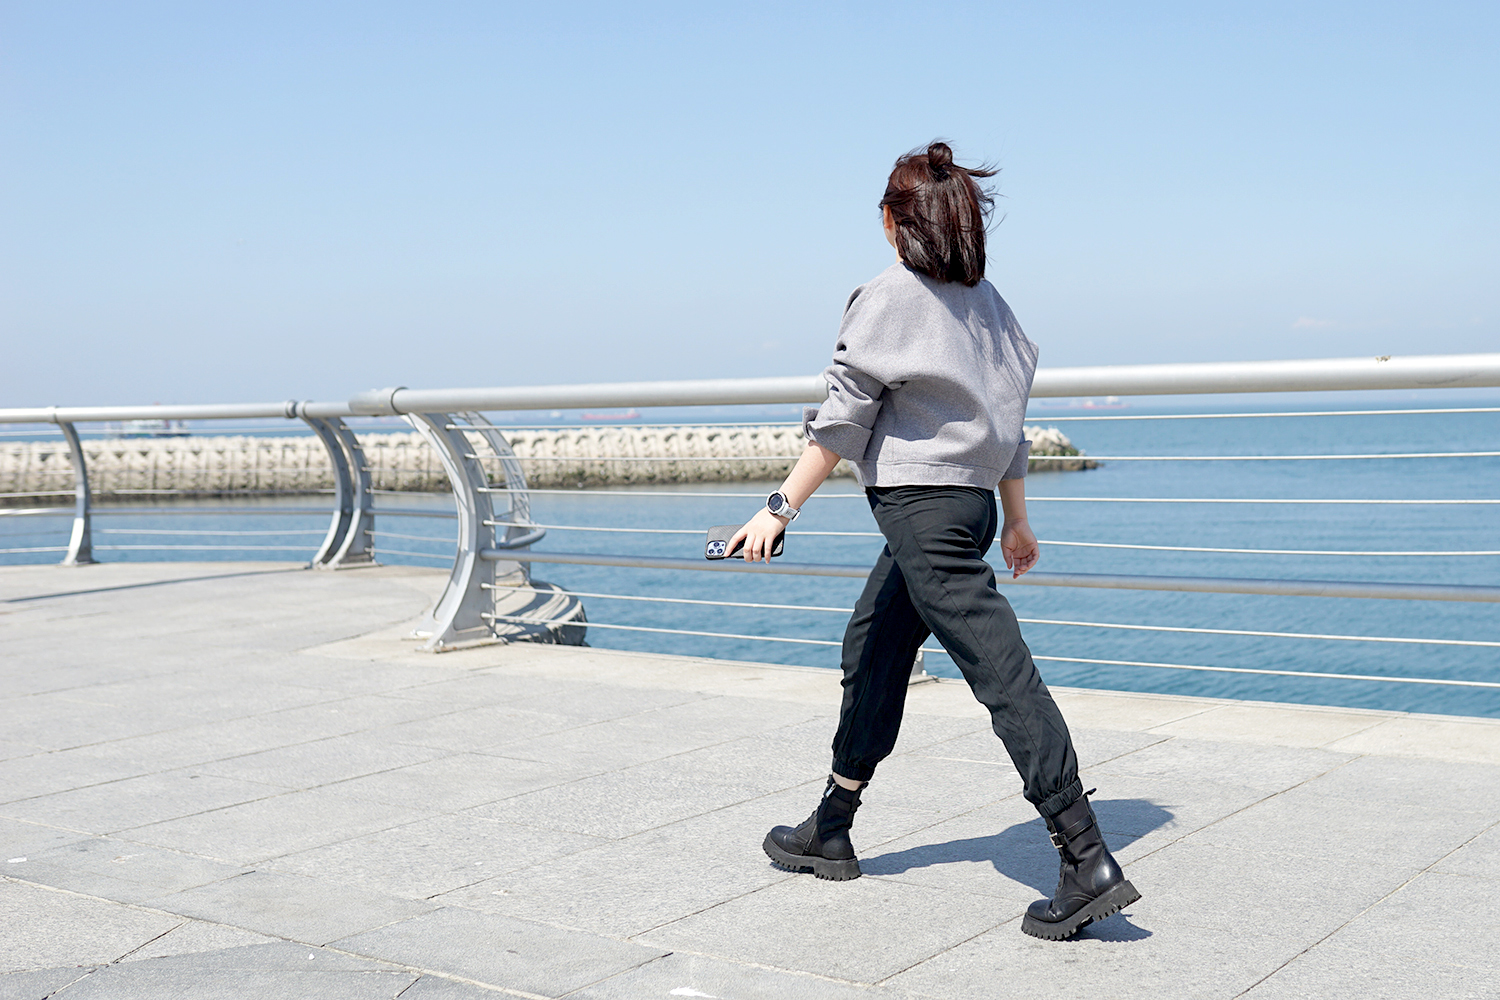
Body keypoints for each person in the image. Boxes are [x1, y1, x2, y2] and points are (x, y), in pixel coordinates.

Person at [729, 141, 1140, 941]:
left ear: (895, 220)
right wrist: (1016, 520)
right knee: (875, 648)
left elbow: (842, 421)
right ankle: (832, 825)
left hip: (922, 512)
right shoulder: (993, 307)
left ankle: (1086, 857)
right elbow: (1010, 426)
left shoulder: (888, 295)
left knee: (1002, 671)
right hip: (970, 509)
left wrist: (778, 507)